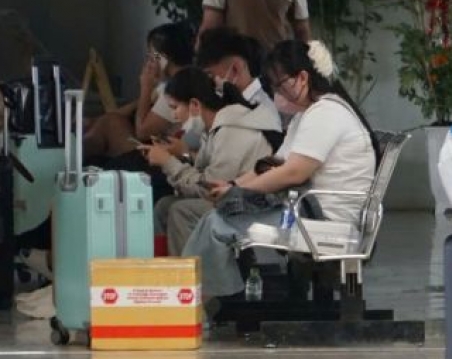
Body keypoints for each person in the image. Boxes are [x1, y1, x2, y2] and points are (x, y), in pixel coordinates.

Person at [185, 40, 374, 308]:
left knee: (218, 223)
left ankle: (207, 301)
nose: (277, 94)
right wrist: (232, 184)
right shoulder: (309, 115)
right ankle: (210, 299)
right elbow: (272, 164)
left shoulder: (326, 114)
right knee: (216, 219)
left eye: (281, 85)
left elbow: (293, 172)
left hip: (322, 219)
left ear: (303, 78)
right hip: (308, 211)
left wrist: (240, 192)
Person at [145, 67, 281, 254]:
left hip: (251, 205)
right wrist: (178, 157)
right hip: (235, 198)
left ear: (195, 104)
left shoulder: (232, 130)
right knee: (164, 206)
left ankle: (191, 271)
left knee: (181, 211)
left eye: (175, 107)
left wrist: (168, 162)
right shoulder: (215, 129)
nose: (174, 116)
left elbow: (210, 189)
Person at [82, 22, 194, 160]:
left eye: (153, 55)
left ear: (165, 58)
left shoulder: (179, 88)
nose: (149, 60)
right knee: (109, 120)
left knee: (111, 123)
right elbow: (130, 108)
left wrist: (145, 87)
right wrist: (92, 121)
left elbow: (142, 132)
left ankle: (72, 155)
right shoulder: (169, 84)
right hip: (157, 151)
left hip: (161, 161)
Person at [195, 26, 272, 109]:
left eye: (211, 77)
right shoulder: (235, 106)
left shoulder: (260, 109)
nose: (209, 85)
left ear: (235, 69)